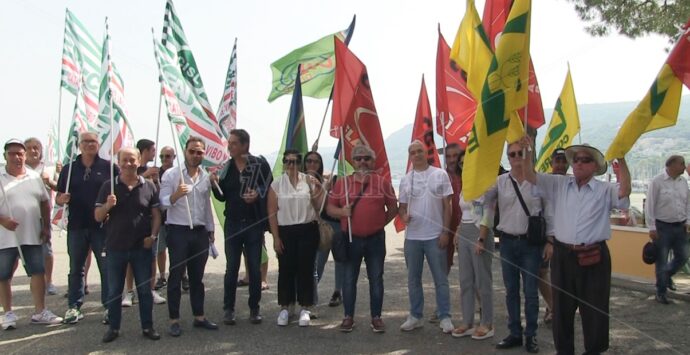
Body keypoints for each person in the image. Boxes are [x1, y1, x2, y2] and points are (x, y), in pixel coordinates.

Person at [521, 137, 631, 355]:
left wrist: (622, 159)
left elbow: (624, 191)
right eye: (577, 159)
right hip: (564, 255)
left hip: (595, 255)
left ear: (595, 166)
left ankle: (594, 351)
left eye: (586, 159)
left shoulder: (603, 189)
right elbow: (530, 176)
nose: (579, 163)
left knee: (595, 309)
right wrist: (527, 151)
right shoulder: (559, 184)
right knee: (561, 310)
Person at [327, 144, 398, 333]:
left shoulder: (382, 182)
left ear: (373, 161)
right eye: (358, 158)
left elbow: (393, 208)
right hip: (351, 239)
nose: (362, 161)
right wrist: (342, 211)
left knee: (376, 279)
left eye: (367, 158)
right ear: (353, 161)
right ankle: (348, 316)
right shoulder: (342, 183)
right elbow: (330, 208)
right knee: (349, 280)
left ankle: (376, 317)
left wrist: (378, 224)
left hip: (375, 239)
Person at [95, 147, 161, 342]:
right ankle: (114, 328)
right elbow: (97, 216)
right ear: (118, 162)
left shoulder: (149, 186)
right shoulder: (109, 186)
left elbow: (156, 215)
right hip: (116, 247)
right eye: (125, 160)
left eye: (132, 160)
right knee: (115, 291)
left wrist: (154, 236)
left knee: (144, 290)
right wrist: (107, 205)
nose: (129, 163)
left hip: (142, 247)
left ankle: (147, 327)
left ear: (139, 160)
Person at [484, 141, 544, 353]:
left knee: (530, 292)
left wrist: (551, 242)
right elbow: (481, 200)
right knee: (511, 291)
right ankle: (515, 333)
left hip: (531, 244)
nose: (516, 157)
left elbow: (550, 212)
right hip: (508, 242)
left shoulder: (538, 181)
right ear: (507, 158)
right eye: (512, 154)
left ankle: (531, 335)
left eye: (521, 153)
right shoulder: (501, 181)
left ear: (528, 155)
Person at [210, 129, 272, 325]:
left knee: (254, 269)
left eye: (234, 143)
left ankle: (254, 309)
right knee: (231, 268)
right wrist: (214, 185)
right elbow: (222, 196)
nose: (229, 147)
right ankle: (229, 309)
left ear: (245, 145)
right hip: (233, 224)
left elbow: (270, 187)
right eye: (229, 143)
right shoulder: (226, 167)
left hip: (253, 224)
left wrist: (258, 193)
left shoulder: (259, 164)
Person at [56, 131, 118, 324]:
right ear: (80, 145)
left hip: (102, 226)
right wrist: (61, 199)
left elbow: (120, 191)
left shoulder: (109, 167)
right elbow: (58, 196)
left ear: (98, 144)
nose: (89, 144)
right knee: (76, 267)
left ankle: (109, 307)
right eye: (86, 141)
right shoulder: (69, 169)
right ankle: (74, 307)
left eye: (93, 141)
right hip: (76, 225)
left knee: (106, 267)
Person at [0, 139, 62, 330]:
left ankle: (40, 311)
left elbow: (45, 202)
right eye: (12, 153)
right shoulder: (0, 178)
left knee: (38, 272)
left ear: (25, 155)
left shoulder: (34, 177)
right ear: (5, 156)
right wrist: (3, 220)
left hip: (32, 235)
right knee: (3, 276)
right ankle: (8, 313)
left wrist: (45, 226)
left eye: (20, 153)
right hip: (5, 237)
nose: (17, 157)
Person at [159, 136, 217, 337]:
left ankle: (199, 316)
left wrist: (211, 230)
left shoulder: (205, 176)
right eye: (192, 151)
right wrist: (175, 195)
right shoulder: (172, 175)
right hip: (178, 230)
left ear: (203, 154)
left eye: (199, 152)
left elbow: (206, 205)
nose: (195, 155)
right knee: (176, 275)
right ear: (185, 152)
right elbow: (162, 203)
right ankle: (174, 320)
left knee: (197, 277)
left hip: (199, 232)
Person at [398, 140, 454, 334]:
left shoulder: (440, 174)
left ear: (426, 152)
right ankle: (415, 316)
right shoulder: (406, 179)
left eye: (420, 151)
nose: (417, 155)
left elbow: (448, 206)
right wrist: (404, 216)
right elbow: (402, 207)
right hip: (412, 237)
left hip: (435, 236)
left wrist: (446, 232)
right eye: (413, 152)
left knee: (440, 278)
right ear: (410, 156)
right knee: (413, 279)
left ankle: (445, 316)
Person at [269, 149, 322, 327]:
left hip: (307, 229)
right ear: (284, 163)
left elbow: (318, 206)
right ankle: (285, 307)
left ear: (300, 164)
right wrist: (276, 237)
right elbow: (271, 213)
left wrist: (321, 188)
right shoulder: (277, 184)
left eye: (295, 162)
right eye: (288, 162)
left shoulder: (309, 181)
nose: (291, 165)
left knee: (305, 269)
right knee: (286, 269)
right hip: (286, 230)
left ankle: (305, 307)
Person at [451, 160, 495, 341]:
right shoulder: (466, 186)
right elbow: (465, 212)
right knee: (466, 280)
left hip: (480, 232)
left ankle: (487, 323)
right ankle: (467, 321)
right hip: (465, 231)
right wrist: (458, 231)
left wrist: (482, 239)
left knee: (482, 280)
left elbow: (488, 213)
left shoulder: (487, 184)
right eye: (462, 165)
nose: (465, 167)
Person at [645, 155, 689, 304]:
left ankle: (667, 276)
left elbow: (687, 203)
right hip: (662, 227)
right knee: (661, 260)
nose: (684, 166)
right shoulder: (657, 182)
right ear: (672, 165)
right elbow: (649, 205)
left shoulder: (683, 182)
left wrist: (688, 221)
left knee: (683, 256)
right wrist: (651, 227)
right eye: (682, 163)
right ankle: (661, 292)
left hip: (680, 226)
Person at [24, 137, 60, 296]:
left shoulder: (49, 168)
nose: (33, 151)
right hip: (23, 217)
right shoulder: (19, 168)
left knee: (46, 250)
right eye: (29, 148)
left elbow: (61, 188)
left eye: (36, 147)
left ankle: (49, 281)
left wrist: (50, 180)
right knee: (16, 252)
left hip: (42, 216)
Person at [308, 151, 345, 308]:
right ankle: (311, 297)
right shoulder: (302, 182)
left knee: (340, 261)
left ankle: (338, 292)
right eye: (309, 161)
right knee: (318, 263)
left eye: (316, 161)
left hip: (336, 225)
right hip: (318, 227)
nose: (312, 164)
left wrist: (328, 186)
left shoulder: (332, 180)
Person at [133, 139, 166, 306]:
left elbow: (157, 196)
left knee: (151, 256)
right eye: (153, 150)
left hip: (150, 220)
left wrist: (156, 180)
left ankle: (151, 289)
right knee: (130, 259)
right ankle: (129, 292)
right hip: (132, 222)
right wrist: (145, 176)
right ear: (144, 151)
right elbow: (128, 183)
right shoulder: (134, 169)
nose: (155, 153)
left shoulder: (153, 171)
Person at [539, 148, 569, 324]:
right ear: (551, 163)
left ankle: (557, 308)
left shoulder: (574, 182)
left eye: (564, 161)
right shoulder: (545, 181)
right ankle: (552, 306)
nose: (560, 164)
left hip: (568, 236)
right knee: (541, 272)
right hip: (546, 236)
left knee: (563, 275)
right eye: (557, 160)